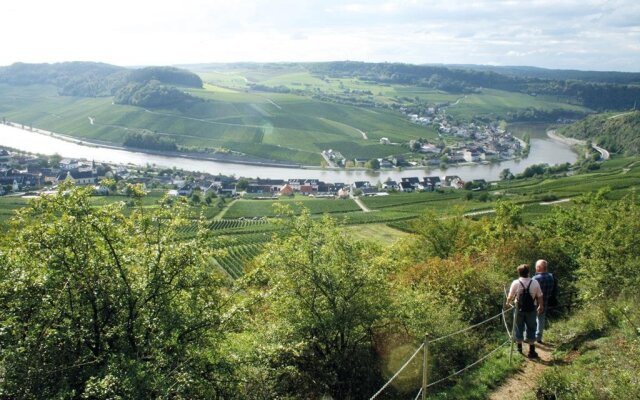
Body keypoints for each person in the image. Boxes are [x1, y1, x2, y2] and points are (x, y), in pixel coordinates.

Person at [506, 264, 544, 359]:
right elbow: (539, 295)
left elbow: (510, 296)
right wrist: (541, 305)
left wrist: (507, 302)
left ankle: (519, 349)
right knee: (531, 327)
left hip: (519, 308)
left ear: (519, 272)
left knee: (519, 327)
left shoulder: (516, 282)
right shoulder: (535, 282)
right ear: (528, 272)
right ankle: (531, 351)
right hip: (531, 308)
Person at [533, 259, 555, 344]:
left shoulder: (536, 278)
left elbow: (532, 291)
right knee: (541, 320)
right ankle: (538, 337)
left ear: (538, 268)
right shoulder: (551, 276)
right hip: (545, 301)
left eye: (536, 266)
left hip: (534, 303)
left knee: (530, 320)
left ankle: (529, 337)